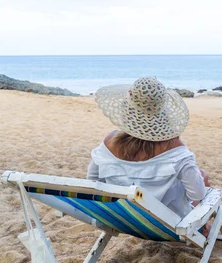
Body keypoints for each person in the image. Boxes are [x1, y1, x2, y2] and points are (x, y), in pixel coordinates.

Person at [87, 77, 211, 234]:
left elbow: (92, 181)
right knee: (202, 176)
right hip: (169, 223)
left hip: (122, 219)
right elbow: (197, 194)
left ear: (126, 110)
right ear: (162, 113)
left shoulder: (109, 142)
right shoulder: (174, 149)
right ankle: (203, 226)